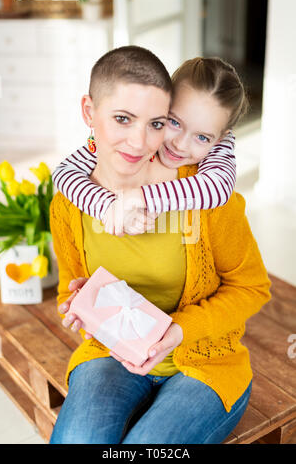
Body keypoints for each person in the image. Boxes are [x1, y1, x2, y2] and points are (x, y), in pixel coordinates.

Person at [49, 46, 271, 444]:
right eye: (169, 123)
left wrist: (178, 331)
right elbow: (73, 283)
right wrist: (82, 302)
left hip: (204, 363)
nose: (141, 140)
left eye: (201, 136)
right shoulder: (71, 200)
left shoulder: (209, 198)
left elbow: (252, 287)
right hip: (111, 354)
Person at [52, 66, 237, 236]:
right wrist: (109, 206)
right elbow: (63, 172)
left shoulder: (220, 147)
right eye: (174, 122)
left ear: (219, 139)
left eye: (202, 138)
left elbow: (218, 186)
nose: (180, 145)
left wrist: (139, 197)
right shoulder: (137, 138)